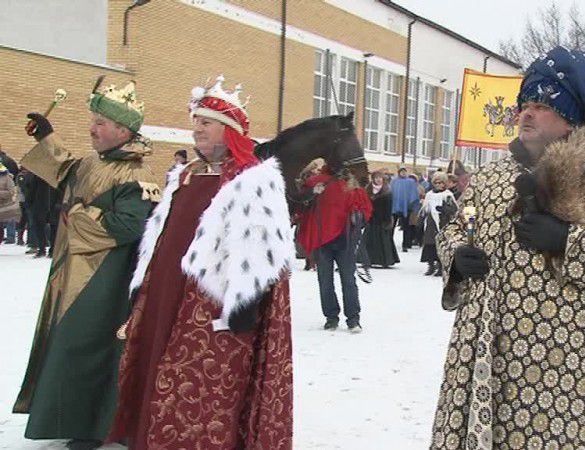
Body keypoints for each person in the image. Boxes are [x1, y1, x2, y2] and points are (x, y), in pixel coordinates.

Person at [430, 46, 585, 449]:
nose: (526, 114)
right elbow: (457, 227)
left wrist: (567, 241)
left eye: (541, 104)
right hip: (487, 348)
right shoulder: (490, 176)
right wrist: (456, 256)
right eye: (524, 104)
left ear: (570, 115)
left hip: (565, 360)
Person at [108, 76, 294, 449]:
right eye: (195, 124)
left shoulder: (254, 180)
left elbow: (265, 246)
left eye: (205, 124)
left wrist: (245, 300)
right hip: (167, 295)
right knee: (157, 370)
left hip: (212, 304)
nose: (197, 131)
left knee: (201, 387)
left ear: (230, 131)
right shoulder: (185, 176)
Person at [14, 81, 159, 450]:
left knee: (90, 347)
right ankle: (71, 417)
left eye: (100, 122)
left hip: (104, 278)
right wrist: (46, 137)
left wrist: (75, 215)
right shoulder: (95, 161)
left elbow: (128, 226)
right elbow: (66, 171)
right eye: (93, 120)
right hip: (73, 271)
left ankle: (95, 426)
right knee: (68, 344)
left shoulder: (136, 174)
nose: (92, 128)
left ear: (123, 131)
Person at [297, 163, 372, 332]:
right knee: (340, 280)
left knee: (335, 280)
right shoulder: (319, 183)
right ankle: (344, 318)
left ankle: (342, 317)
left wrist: (357, 216)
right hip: (330, 239)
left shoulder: (352, 187)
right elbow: (301, 201)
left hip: (340, 239)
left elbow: (365, 210)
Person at [419, 172, 457, 276]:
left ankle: (440, 266)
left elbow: (453, 209)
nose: (439, 185)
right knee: (429, 245)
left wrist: (443, 209)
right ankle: (430, 265)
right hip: (430, 223)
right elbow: (425, 208)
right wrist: (422, 218)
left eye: (441, 183)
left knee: (440, 245)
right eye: (436, 182)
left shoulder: (447, 195)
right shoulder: (429, 195)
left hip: (442, 222)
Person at [361, 169, 400, 268]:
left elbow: (388, 207)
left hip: (382, 219)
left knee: (383, 241)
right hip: (371, 219)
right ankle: (368, 259)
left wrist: (387, 220)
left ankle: (385, 260)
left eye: (380, 178)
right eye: (376, 178)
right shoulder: (368, 190)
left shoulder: (387, 190)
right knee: (369, 240)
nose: (378, 180)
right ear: (373, 179)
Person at [390, 166, 419, 252]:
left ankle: (405, 244)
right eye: (401, 171)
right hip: (394, 207)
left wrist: (411, 204)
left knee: (406, 227)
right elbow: (390, 192)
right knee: (392, 226)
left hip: (406, 208)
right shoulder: (394, 181)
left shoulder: (410, 182)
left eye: (404, 171)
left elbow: (414, 193)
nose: (403, 173)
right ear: (399, 172)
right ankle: (389, 243)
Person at [0, 163, 20, 241]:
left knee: (4, 224)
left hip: (4, 204)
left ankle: (10, 237)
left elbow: (11, 192)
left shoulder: (7, 177)